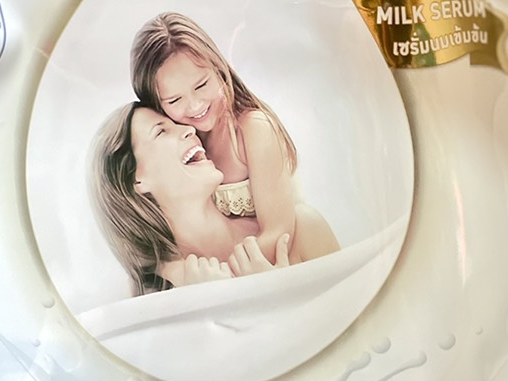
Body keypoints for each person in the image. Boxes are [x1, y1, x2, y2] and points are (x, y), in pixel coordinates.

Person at [92, 102, 337, 295]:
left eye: (177, 123)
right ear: (136, 180)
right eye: (161, 131)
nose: (189, 129)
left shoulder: (299, 231)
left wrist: (280, 294)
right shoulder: (160, 292)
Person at [130, 12, 313, 265]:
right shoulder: (183, 146)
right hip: (243, 263)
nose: (195, 106)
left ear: (218, 69)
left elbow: (278, 233)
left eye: (201, 85)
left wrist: (220, 279)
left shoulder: (251, 130)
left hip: (294, 254)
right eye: (175, 100)